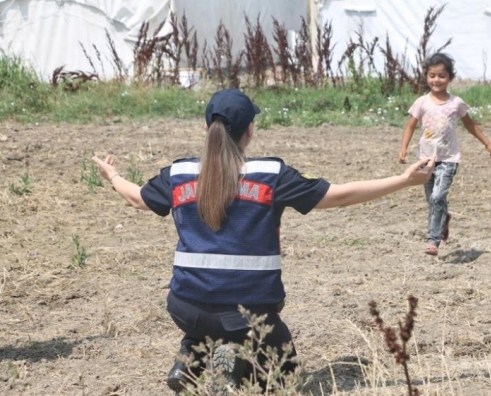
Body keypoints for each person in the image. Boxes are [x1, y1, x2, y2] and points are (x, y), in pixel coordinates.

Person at [91, 89, 434, 393]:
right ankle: (233, 371)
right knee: (284, 380)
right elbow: (339, 197)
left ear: (207, 129)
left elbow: (136, 198)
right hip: (248, 314)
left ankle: (191, 359)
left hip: (184, 308)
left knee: (213, 320)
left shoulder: (179, 174)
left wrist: (113, 175)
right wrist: (404, 180)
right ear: (249, 131)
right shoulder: (271, 175)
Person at [398, 53, 491, 257]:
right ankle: (444, 219)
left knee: (438, 196)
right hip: (426, 159)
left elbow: (470, 125)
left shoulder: (456, 103)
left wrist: (487, 144)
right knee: (432, 201)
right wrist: (404, 148)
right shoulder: (422, 102)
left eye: (442, 76)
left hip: (449, 159)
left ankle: (432, 241)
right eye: (432, 75)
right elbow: (410, 126)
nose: (436, 80)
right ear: (426, 77)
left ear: (450, 78)